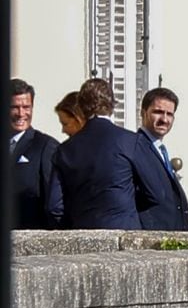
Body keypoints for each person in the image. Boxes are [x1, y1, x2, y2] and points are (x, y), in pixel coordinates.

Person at [53, 78, 163, 229]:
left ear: (81, 108)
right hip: (122, 228)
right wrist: (124, 204)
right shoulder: (131, 141)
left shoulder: (64, 150)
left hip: (81, 230)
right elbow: (156, 193)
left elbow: (54, 206)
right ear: (111, 105)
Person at [137, 87, 188, 231]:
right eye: (158, 112)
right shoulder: (136, 148)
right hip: (153, 235)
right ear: (143, 113)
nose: (164, 119)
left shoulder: (160, 149)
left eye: (169, 114)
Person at [10, 78, 62, 228]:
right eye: (14, 107)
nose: (21, 113)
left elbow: (53, 201)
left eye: (26, 107)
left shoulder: (45, 146)